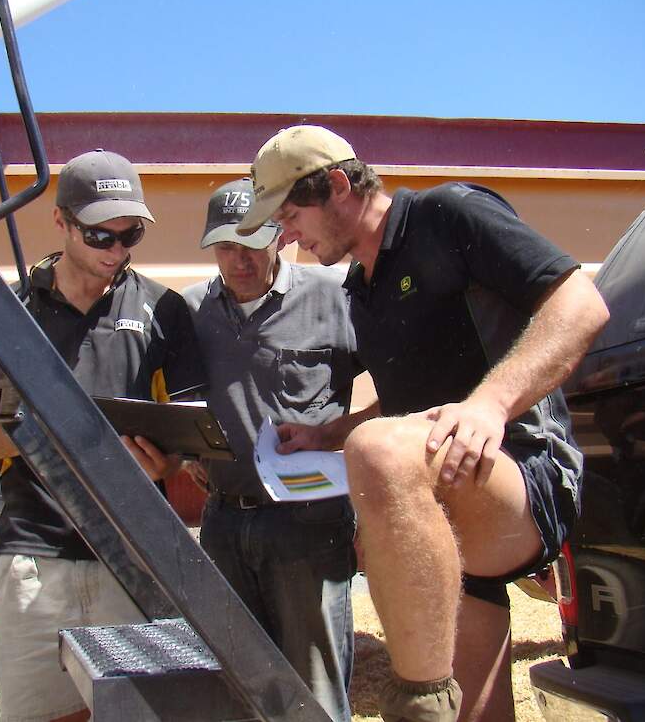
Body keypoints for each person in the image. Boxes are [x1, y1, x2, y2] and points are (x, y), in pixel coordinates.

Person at [235, 126, 610, 722]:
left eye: (289, 213)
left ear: (337, 185)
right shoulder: (360, 287)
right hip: (444, 504)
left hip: (526, 470)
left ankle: (416, 706)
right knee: (478, 714)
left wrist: (489, 405)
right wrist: (329, 433)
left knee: (377, 452)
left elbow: (581, 307)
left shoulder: (448, 214)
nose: (286, 236)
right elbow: (414, 404)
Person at [0, 149, 205, 722]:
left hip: (134, 554)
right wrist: (59, 431)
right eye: (100, 235)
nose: (117, 251)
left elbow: (190, 435)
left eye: (131, 236)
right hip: (35, 554)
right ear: (62, 222)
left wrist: (164, 466)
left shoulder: (164, 310)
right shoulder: (9, 309)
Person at [178, 178, 367, 721]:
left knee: (314, 688)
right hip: (224, 525)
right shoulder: (189, 310)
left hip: (309, 525)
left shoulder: (335, 297)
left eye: (251, 244)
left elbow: (406, 386)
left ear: (280, 237)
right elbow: (167, 392)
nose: (239, 261)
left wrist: (341, 433)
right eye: (226, 247)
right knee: (232, 680)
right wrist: (187, 447)